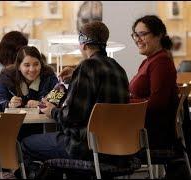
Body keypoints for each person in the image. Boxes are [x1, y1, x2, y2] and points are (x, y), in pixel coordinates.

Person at [20, 21, 129, 178]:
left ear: (83, 44)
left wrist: (52, 111)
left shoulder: (86, 67)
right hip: (115, 148)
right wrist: (75, 76)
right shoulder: (119, 69)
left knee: (25, 144)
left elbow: (72, 116)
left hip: (84, 147)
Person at [130, 15, 178, 150]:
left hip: (153, 133)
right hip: (144, 127)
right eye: (135, 35)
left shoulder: (161, 62)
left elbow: (157, 103)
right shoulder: (149, 61)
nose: (138, 40)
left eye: (142, 34)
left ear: (159, 35)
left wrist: (124, 102)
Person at [0, 46, 58, 112]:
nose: (32, 69)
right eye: (27, 65)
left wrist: (41, 105)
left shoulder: (49, 76)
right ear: (19, 67)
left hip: (43, 122)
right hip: (14, 122)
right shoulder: (6, 77)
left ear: (41, 64)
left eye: (36, 64)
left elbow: (58, 101)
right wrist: (9, 104)